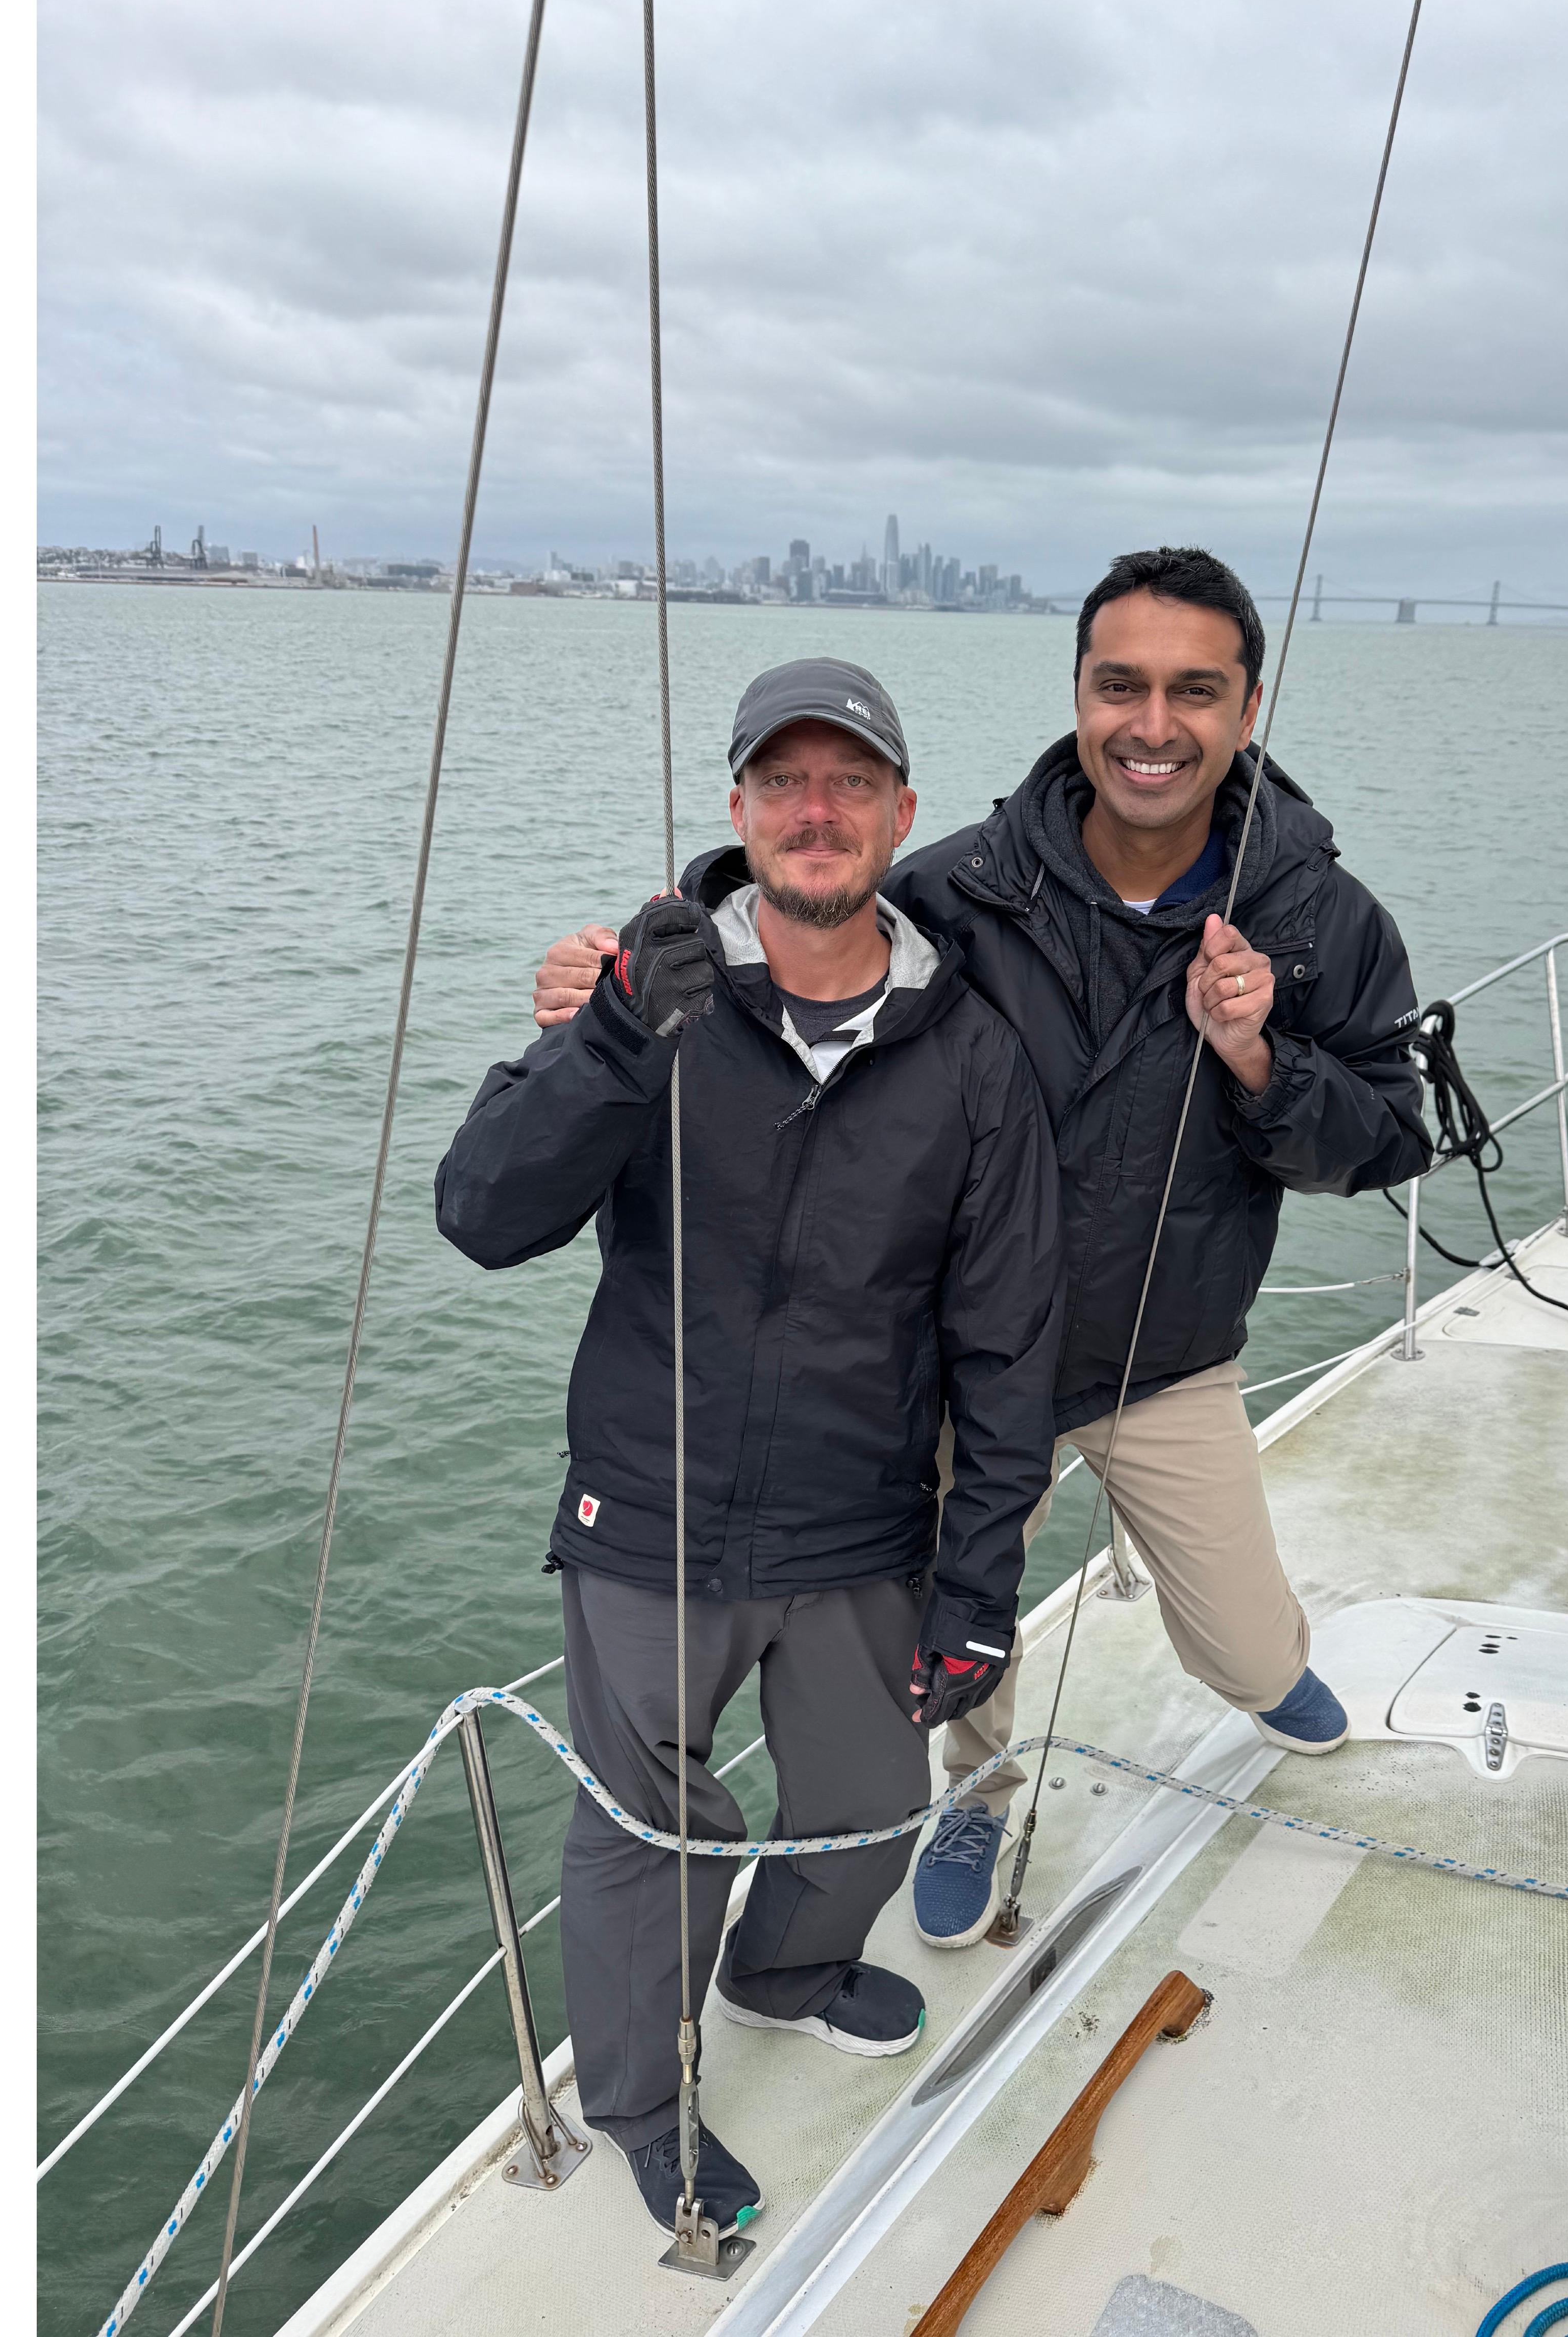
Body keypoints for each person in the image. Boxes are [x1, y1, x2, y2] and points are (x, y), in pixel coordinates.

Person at [530, 548, 1432, 1951]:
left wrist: (1263, 1058)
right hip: (954, 1362)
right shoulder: (955, 888)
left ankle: (1266, 1677)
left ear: (1248, 708)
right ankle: (980, 1792)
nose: (1152, 724)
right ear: (1076, 694)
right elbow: (794, 947)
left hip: (1164, 1352)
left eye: (1195, 690)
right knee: (963, 1631)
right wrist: (606, 994)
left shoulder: (1320, 919)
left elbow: (1388, 1135)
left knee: (1251, 1644)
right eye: (1120, 685)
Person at [436, 657, 1063, 2238]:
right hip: (649, 1509)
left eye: (850, 781)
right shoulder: (638, 996)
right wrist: (607, 1042)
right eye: (785, 779)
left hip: (859, 1519)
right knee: (655, 1826)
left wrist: (980, 1578)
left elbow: (1005, 1345)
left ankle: (784, 1970)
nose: (816, 809)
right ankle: (643, 2101)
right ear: (738, 808)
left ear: (902, 814)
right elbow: (483, 1213)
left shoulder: (974, 1056)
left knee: (871, 1799)